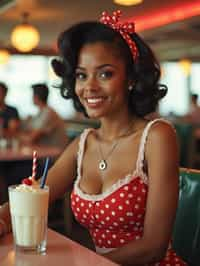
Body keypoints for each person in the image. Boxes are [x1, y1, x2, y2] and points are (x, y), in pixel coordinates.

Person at [0, 10, 187, 265]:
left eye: (105, 73)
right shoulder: (83, 144)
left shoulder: (157, 136)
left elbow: (153, 248)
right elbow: (32, 194)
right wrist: (2, 218)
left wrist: (84, 263)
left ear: (131, 78)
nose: (89, 87)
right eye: (81, 75)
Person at [19, 83, 68, 148]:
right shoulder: (42, 112)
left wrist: (14, 135)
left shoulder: (47, 113)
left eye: (33, 95)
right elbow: (29, 130)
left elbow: (31, 139)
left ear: (36, 96)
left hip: (54, 153)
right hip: (47, 151)